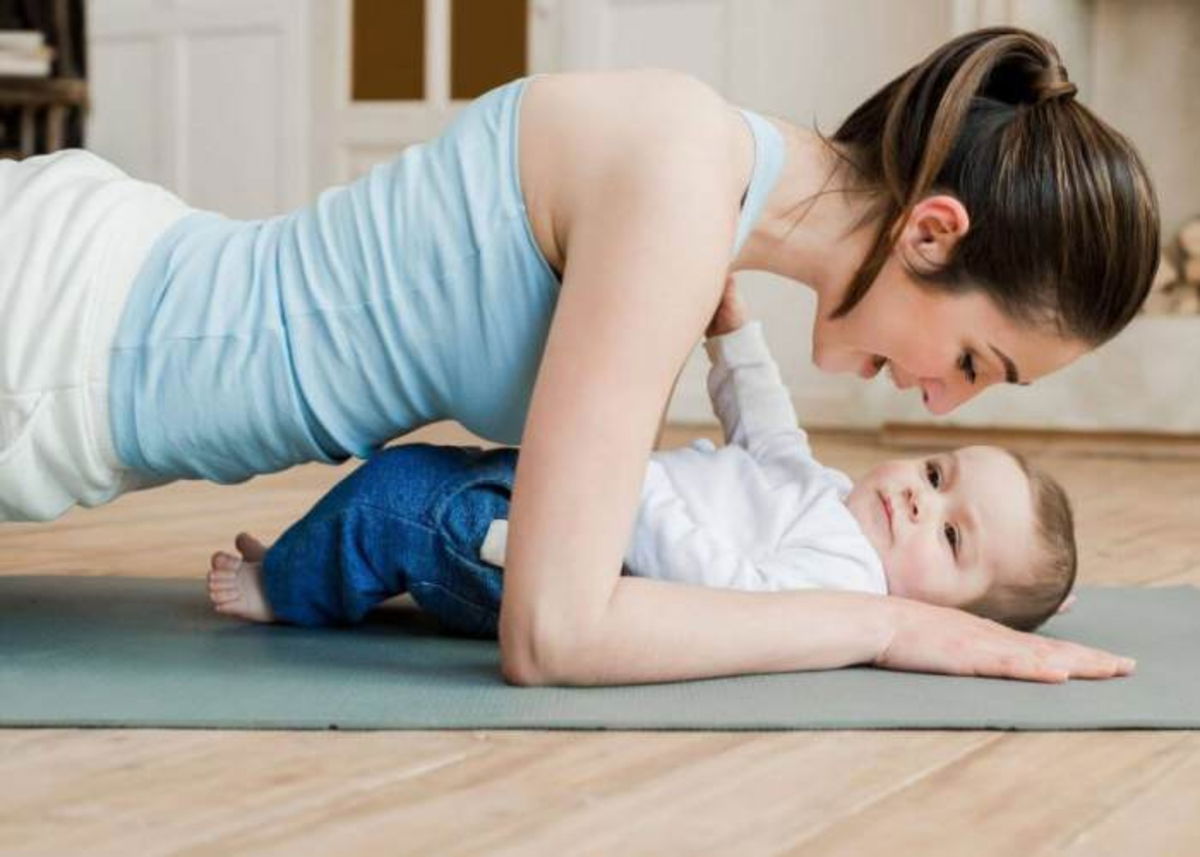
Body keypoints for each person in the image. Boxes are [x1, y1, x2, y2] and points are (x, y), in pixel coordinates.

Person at [0, 27, 1156, 685]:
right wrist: (889, 622)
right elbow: (555, 632)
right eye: (978, 360)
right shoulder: (676, 192)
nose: (945, 404)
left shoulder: (699, 166)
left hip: (97, 280)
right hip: (53, 345)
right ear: (932, 231)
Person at [208, 284, 1079, 649]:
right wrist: (731, 329)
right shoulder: (825, 497)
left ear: (946, 610)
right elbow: (766, 429)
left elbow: (717, 581)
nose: (921, 504)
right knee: (424, 465)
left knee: (408, 506)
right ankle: (306, 563)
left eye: (953, 536)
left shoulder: (842, 580)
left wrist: (628, 476)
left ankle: (284, 591)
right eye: (936, 476)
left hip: (577, 550)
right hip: (587, 490)